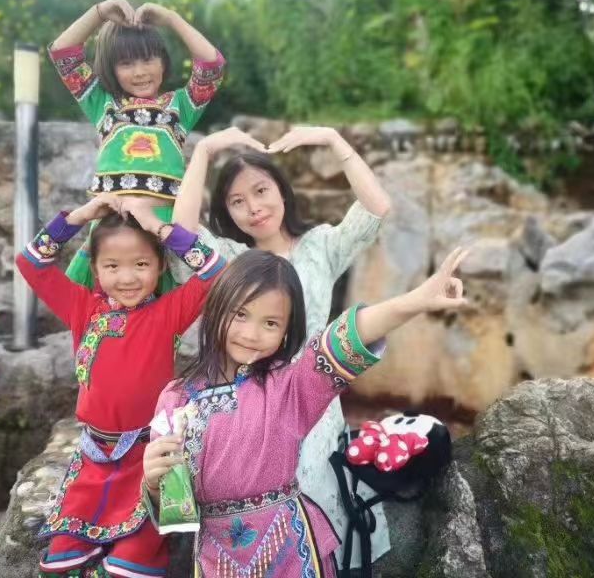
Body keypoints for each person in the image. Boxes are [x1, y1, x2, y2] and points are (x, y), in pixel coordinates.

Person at [143, 245, 469, 576]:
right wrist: (154, 485)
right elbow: (175, 509)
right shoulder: (176, 399)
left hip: (291, 552)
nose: (251, 333)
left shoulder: (292, 386)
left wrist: (416, 300)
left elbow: (348, 337)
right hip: (217, 561)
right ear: (216, 308)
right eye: (240, 314)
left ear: (287, 331)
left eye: (271, 323)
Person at [167, 125, 394, 566]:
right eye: (237, 201)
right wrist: (205, 151)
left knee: (316, 487)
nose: (253, 207)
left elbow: (376, 208)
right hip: (249, 401)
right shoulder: (231, 260)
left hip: (312, 393)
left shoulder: (320, 246)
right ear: (227, 212)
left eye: (261, 190)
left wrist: (333, 139)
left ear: (282, 191)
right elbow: (181, 235)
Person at [15, 194, 225, 577]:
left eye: (141, 264)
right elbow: (30, 262)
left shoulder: (168, 313)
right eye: (112, 266)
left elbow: (215, 271)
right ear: (96, 269)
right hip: (93, 459)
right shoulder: (82, 308)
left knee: (131, 565)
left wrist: (157, 225)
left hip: (148, 459)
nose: (127, 278)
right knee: (61, 560)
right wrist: (80, 217)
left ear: (161, 265)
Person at [49, 0, 225, 290]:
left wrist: (171, 18)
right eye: (127, 63)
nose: (140, 71)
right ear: (112, 68)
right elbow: (62, 53)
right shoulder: (103, 105)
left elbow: (212, 66)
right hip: (111, 227)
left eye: (148, 59)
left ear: (163, 61)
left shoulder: (181, 107)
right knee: (102, 303)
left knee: (165, 308)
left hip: (163, 228)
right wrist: (100, 12)